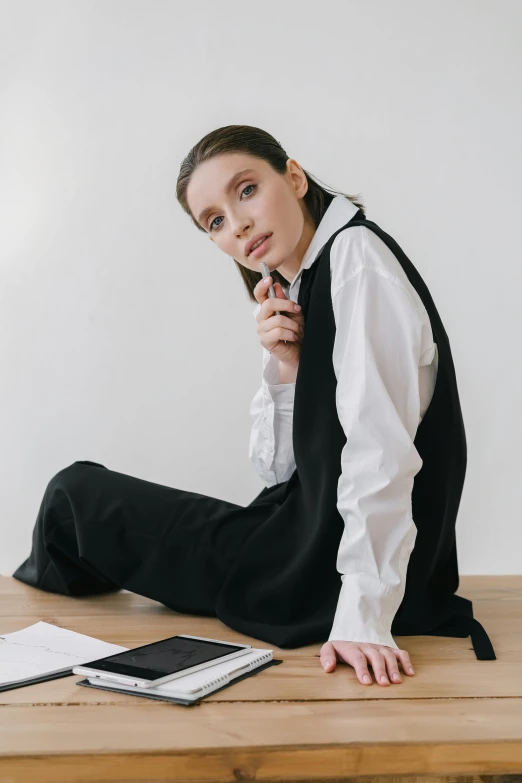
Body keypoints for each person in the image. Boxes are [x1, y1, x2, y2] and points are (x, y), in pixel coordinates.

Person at [13, 125, 495, 691]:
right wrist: (288, 367)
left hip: (315, 568)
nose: (237, 224)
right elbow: (280, 473)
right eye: (214, 221)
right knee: (77, 498)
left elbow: (382, 454)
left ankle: (34, 627)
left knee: (74, 497)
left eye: (246, 190)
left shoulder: (356, 260)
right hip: (301, 541)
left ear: (293, 177)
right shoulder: (314, 278)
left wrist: (363, 617)